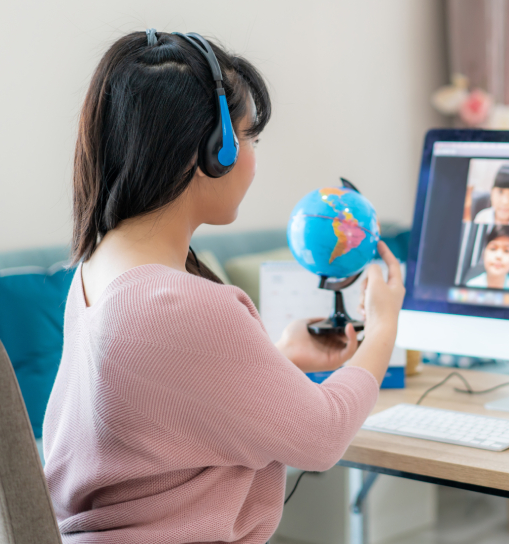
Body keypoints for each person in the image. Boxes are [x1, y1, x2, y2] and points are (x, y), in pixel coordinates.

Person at [42, 30, 405, 544]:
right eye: (250, 137)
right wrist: (384, 328)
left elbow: (159, 419)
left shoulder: (95, 268)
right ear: (217, 152)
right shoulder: (181, 303)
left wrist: (280, 357)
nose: (254, 154)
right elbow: (324, 437)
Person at [465, 225, 509, 290]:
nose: (498, 256)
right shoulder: (471, 285)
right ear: (483, 254)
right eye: (493, 249)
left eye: (506, 251)